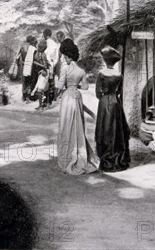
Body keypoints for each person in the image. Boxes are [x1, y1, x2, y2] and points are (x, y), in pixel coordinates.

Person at [56, 38, 99, 175]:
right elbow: (85, 87)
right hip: (78, 97)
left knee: (66, 127)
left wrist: (65, 84)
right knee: (78, 128)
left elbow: (59, 86)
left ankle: (67, 158)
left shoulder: (65, 68)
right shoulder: (81, 70)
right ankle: (80, 155)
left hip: (68, 97)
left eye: (64, 56)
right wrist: (76, 85)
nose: (64, 58)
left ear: (68, 56)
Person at [95, 46, 130, 172]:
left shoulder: (102, 74)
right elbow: (120, 91)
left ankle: (106, 158)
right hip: (116, 102)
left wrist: (105, 99)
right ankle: (118, 159)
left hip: (104, 103)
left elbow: (97, 93)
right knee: (117, 129)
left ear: (105, 61)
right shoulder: (119, 74)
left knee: (104, 130)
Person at [33, 40, 50, 109]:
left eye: (39, 48)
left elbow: (45, 66)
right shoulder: (40, 54)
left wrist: (36, 63)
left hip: (44, 73)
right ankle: (46, 104)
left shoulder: (43, 55)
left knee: (40, 90)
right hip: (43, 72)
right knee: (44, 90)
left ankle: (41, 106)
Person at [43, 28, 59, 103]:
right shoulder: (54, 43)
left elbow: (46, 54)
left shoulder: (46, 43)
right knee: (51, 81)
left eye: (44, 35)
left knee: (47, 81)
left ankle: (48, 99)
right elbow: (56, 56)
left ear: (45, 35)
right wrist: (53, 63)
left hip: (48, 64)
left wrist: (48, 63)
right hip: (53, 64)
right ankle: (52, 97)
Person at [21, 36, 38, 102]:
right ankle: (29, 98)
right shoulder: (34, 49)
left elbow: (20, 58)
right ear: (33, 42)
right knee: (31, 82)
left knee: (25, 82)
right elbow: (35, 59)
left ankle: (23, 97)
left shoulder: (23, 47)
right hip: (31, 68)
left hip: (24, 66)